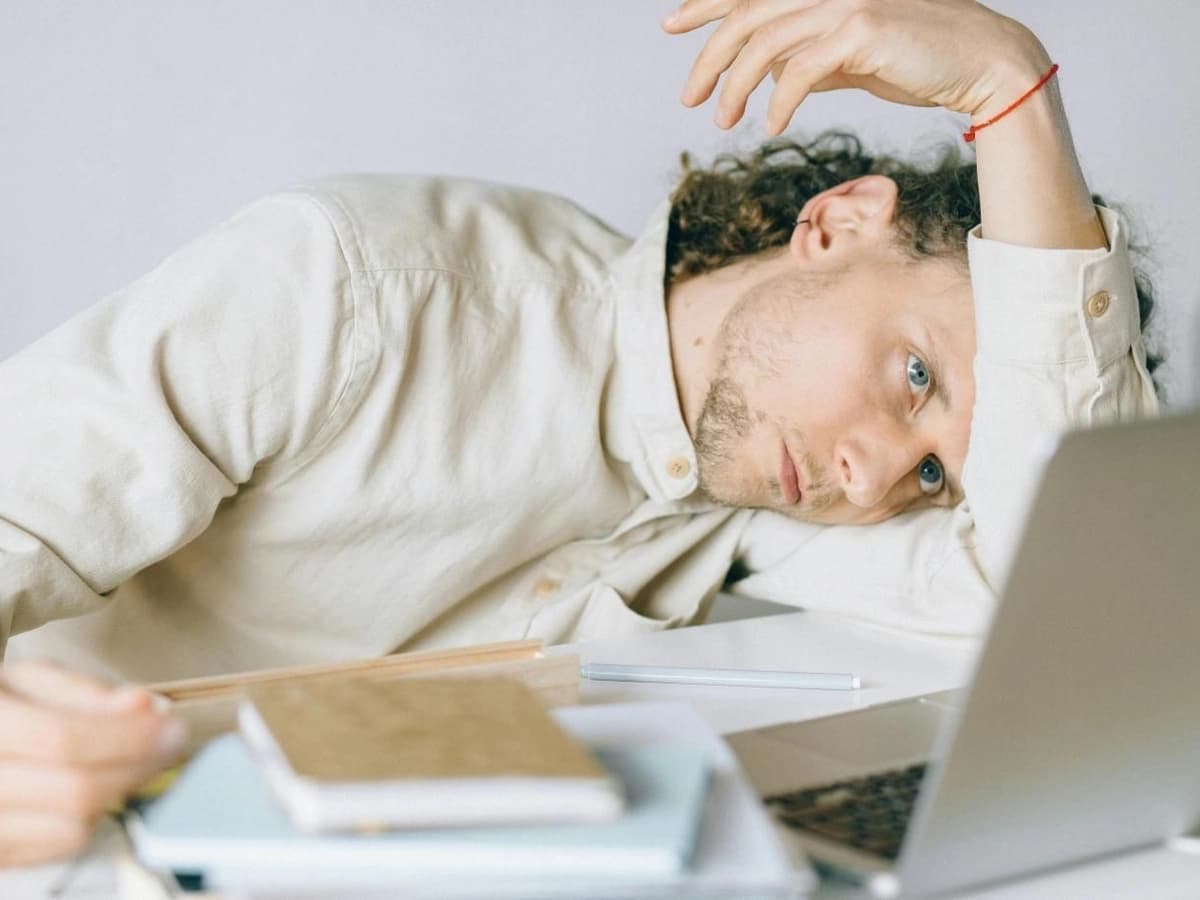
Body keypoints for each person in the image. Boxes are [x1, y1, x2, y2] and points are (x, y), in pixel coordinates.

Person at [0, 0, 1160, 867]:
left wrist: (1014, 96)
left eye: (928, 475)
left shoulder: (745, 505)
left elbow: (1067, 594)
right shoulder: (359, 287)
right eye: (915, 375)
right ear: (837, 222)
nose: (870, 473)